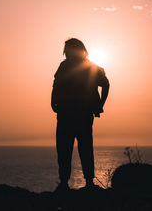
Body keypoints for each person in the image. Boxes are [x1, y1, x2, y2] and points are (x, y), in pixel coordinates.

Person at [51, 38, 109, 191]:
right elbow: (56, 85)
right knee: (67, 149)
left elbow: (106, 84)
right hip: (68, 114)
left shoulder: (89, 67)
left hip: (78, 115)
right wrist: (53, 101)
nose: (66, 53)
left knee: (79, 148)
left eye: (68, 49)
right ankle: (67, 182)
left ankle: (85, 182)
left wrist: (100, 105)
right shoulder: (66, 66)